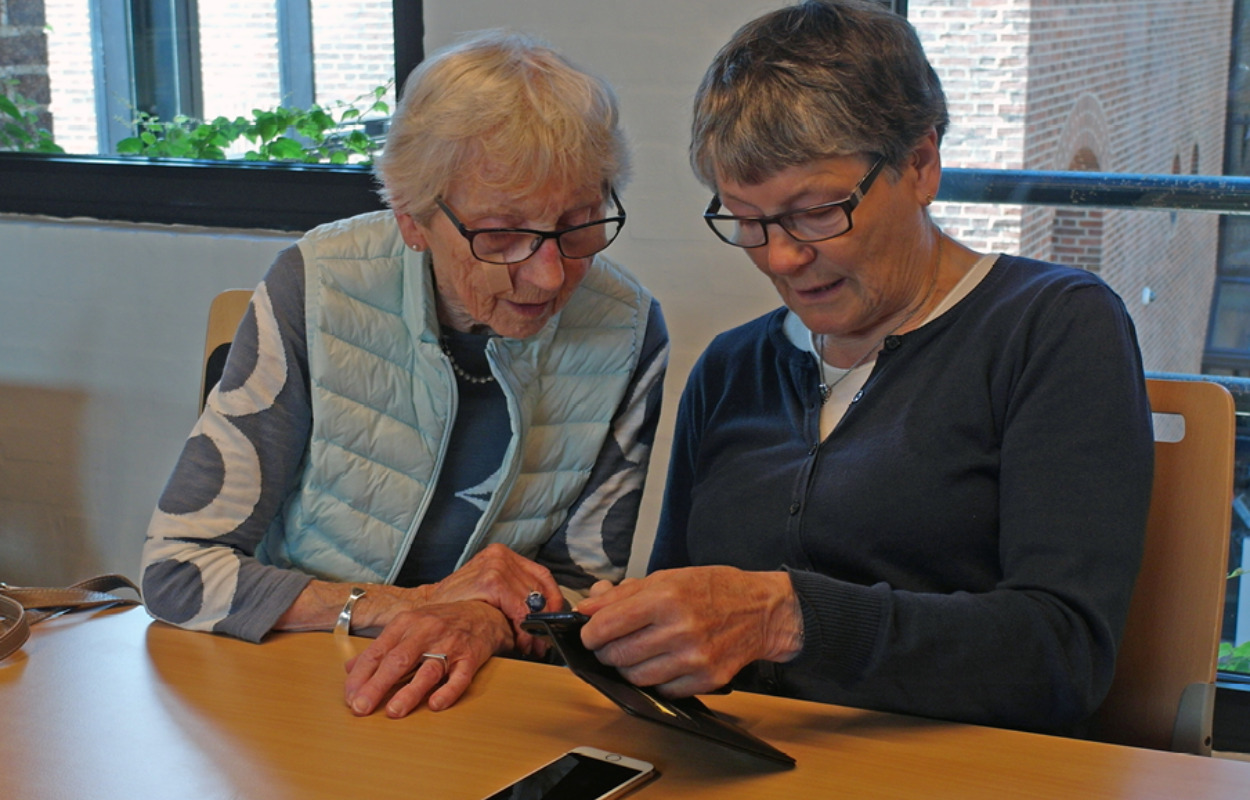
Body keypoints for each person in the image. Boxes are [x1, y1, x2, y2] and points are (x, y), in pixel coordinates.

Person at [577, 0, 1153, 736]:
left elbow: (1062, 656)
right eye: (747, 221)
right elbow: (681, 606)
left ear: (920, 162)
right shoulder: (732, 367)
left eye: (817, 211)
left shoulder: (1053, 327)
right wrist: (609, 628)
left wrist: (790, 619)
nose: (781, 257)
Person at [140, 30, 669, 720]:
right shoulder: (320, 287)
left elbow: (578, 598)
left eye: (578, 225)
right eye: (501, 234)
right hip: (289, 682)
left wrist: (484, 620)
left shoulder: (628, 330)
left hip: (485, 693)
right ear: (413, 219)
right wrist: (410, 608)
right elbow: (178, 571)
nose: (549, 275)